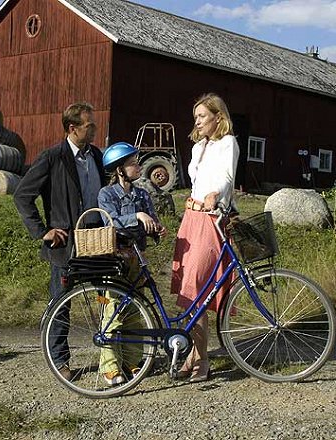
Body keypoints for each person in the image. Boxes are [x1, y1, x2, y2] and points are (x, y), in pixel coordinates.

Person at [14, 102, 106, 381]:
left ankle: (111, 359)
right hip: (65, 243)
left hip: (96, 239)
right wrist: (42, 231)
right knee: (61, 302)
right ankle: (60, 360)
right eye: (90, 125)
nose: (95, 129)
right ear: (72, 128)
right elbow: (22, 195)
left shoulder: (97, 155)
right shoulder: (52, 157)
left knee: (105, 297)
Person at [171, 93, 240, 383]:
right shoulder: (198, 147)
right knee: (188, 293)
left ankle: (204, 360)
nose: (197, 121)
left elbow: (226, 177)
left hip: (210, 220)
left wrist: (217, 194)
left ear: (217, 117)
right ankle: (193, 355)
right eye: (196, 117)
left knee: (198, 291)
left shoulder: (228, 143)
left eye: (202, 116)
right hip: (190, 218)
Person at [97, 142, 167, 386]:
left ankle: (132, 360)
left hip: (137, 259)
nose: (138, 167)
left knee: (136, 313)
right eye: (133, 163)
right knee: (112, 311)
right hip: (115, 260)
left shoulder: (143, 194)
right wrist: (136, 216)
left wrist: (157, 229)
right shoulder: (107, 195)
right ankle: (110, 367)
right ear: (119, 169)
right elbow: (110, 222)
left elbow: (152, 222)